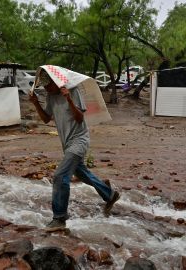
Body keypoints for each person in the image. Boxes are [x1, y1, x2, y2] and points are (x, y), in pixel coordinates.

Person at [29, 70, 120, 232]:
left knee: (60, 176)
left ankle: (59, 218)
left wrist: (68, 99)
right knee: (82, 173)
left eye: (49, 86)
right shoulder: (50, 96)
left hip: (79, 141)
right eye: (45, 87)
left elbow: (79, 118)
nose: (47, 90)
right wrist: (36, 103)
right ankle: (110, 194)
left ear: (56, 82)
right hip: (67, 144)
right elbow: (46, 118)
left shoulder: (73, 91)